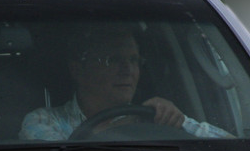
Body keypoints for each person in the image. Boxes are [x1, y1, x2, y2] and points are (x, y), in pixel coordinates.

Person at [19, 26, 232, 141]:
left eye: (133, 60)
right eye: (113, 60)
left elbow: (230, 145)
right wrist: (132, 124)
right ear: (78, 69)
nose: (128, 70)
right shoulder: (43, 121)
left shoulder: (154, 115)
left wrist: (176, 120)